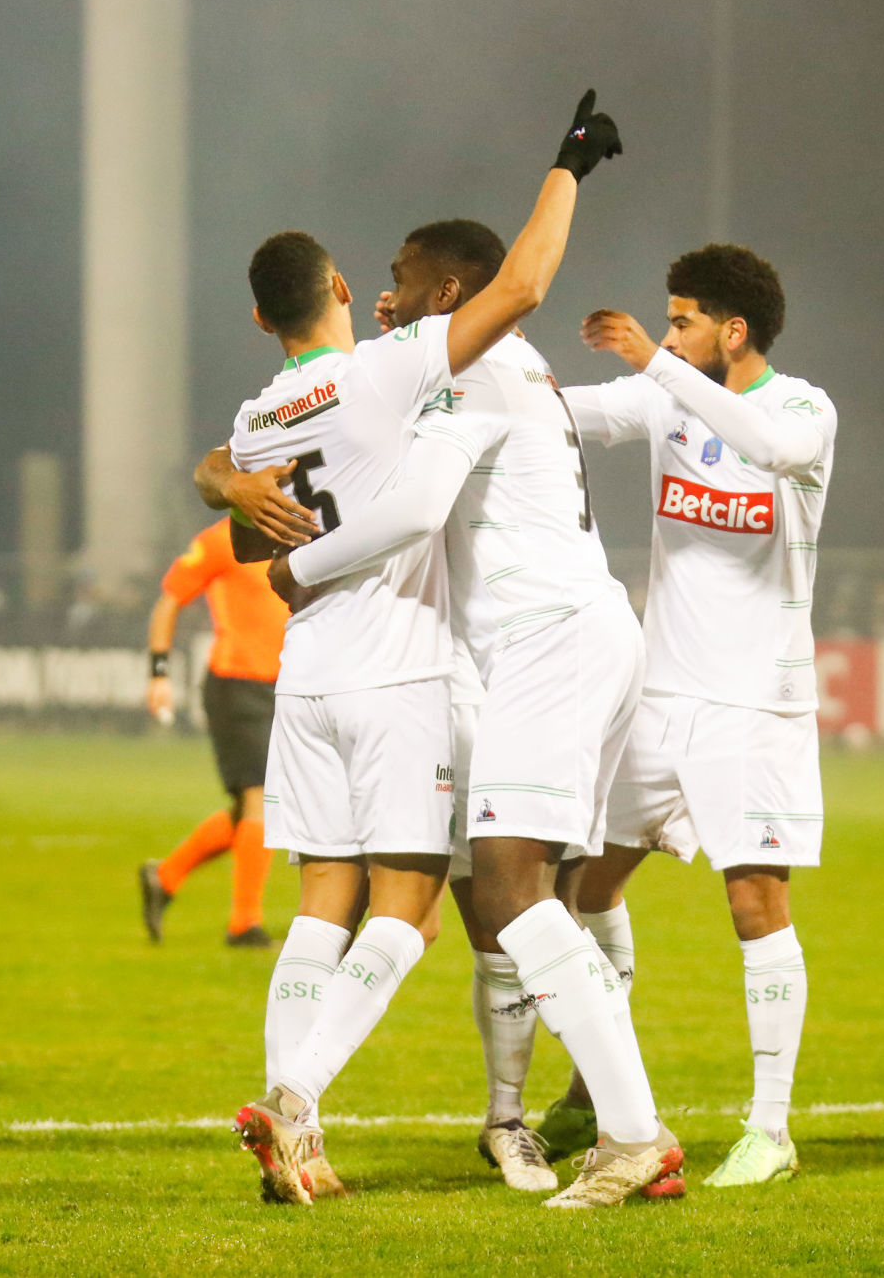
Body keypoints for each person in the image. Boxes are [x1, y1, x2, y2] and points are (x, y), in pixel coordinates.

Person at [198, 91, 632, 1207]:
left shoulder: (256, 418)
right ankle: (296, 1099)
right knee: (412, 905)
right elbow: (519, 288)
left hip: (305, 677)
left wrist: (221, 482)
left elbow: (243, 523)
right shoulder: (386, 371)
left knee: (318, 902)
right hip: (400, 667)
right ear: (343, 290)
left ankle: (297, 1124)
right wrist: (566, 167)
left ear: (260, 319)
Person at [269, 215, 668, 1202]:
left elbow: (411, 509)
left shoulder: (470, 370)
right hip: (576, 635)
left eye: (402, 279)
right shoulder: (516, 368)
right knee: (532, 893)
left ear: (447, 294)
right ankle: (617, 1128)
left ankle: (631, 1136)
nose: (386, 297)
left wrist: (298, 567)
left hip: (547, 641)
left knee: (509, 892)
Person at [538, 244, 837, 1188]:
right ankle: (598, 1089)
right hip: (660, 697)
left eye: (683, 322)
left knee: (755, 903)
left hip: (754, 704)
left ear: (733, 331)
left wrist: (655, 365)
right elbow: (562, 412)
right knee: (581, 888)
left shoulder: (804, 409)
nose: (667, 338)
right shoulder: (665, 397)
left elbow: (773, 451)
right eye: (665, 324)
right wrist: (457, 364)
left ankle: (770, 1129)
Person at [138, 518, 289, 947]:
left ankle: (165, 876)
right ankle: (244, 924)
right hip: (237, 684)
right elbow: (169, 600)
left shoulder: (298, 531)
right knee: (261, 797)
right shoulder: (221, 539)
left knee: (257, 809)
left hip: (288, 685)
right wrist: (159, 673)